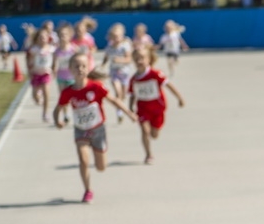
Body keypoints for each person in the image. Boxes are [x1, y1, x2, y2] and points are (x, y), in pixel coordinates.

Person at [53, 53, 137, 204]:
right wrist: (57, 121)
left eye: (84, 66)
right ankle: (87, 190)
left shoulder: (96, 86)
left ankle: (100, 157)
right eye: (76, 66)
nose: (80, 69)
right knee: (83, 161)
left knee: (101, 167)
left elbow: (114, 100)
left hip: (98, 129)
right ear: (70, 69)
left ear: (88, 68)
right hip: (81, 130)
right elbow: (58, 108)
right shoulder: (68, 92)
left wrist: (129, 113)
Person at [128, 47, 186, 164]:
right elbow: (132, 94)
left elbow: (169, 85)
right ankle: (149, 155)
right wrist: (130, 109)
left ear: (148, 59)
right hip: (143, 109)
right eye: (136, 59)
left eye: (142, 58)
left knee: (154, 134)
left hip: (158, 109)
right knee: (145, 131)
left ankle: (154, 132)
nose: (139, 61)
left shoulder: (156, 74)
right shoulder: (134, 79)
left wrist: (179, 98)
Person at [102, 23, 135, 123]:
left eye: (118, 36)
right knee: (118, 92)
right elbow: (106, 56)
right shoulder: (109, 47)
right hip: (114, 72)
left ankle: (120, 105)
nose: (116, 39)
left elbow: (129, 59)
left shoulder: (125, 46)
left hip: (124, 72)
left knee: (124, 94)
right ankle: (119, 112)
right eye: (114, 36)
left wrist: (120, 60)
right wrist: (103, 64)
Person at [26, 29, 55, 122]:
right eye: (40, 37)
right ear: (37, 39)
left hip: (46, 74)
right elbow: (29, 60)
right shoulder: (34, 49)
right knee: (35, 96)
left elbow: (55, 60)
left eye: (44, 37)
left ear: (48, 38)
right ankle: (38, 97)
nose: (42, 39)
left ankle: (45, 113)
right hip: (36, 74)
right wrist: (30, 71)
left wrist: (54, 70)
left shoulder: (51, 49)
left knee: (46, 94)